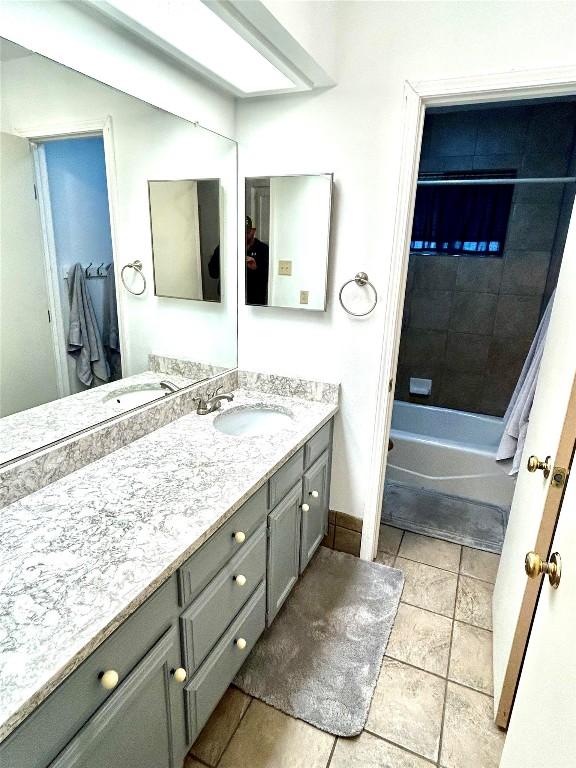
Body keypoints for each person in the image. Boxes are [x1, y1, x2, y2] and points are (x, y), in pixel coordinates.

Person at [245, 215, 269, 305]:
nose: (243, 235)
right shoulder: (226, 247)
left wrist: (256, 268)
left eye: (246, 232)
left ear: (253, 231)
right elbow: (213, 273)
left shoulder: (263, 249)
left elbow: (270, 278)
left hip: (256, 300)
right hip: (231, 298)